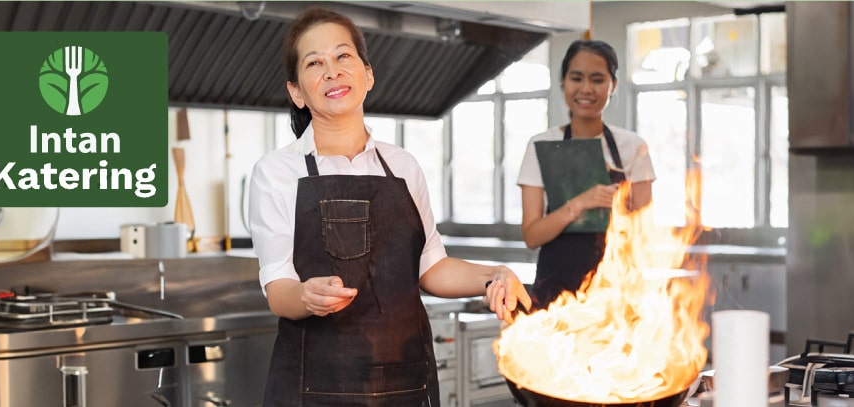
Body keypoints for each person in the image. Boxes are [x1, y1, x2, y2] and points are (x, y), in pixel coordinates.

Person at [248, 7, 530, 407]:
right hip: (314, 388)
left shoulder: (402, 166)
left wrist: (494, 275)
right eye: (315, 63)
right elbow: (278, 289)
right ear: (297, 91)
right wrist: (307, 296)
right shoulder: (276, 172)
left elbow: (432, 268)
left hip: (405, 382)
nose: (332, 71)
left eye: (343, 56)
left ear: (368, 73)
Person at [516, 40, 656, 310]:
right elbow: (532, 236)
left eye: (598, 79)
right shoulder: (540, 145)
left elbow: (644, 236)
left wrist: (619, 207)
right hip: (555, 294)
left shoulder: (633, 146)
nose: (586, 89)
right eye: (576, 78)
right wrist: (582, 203)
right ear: (563, 83)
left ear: (613, 85)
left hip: (615, 290)